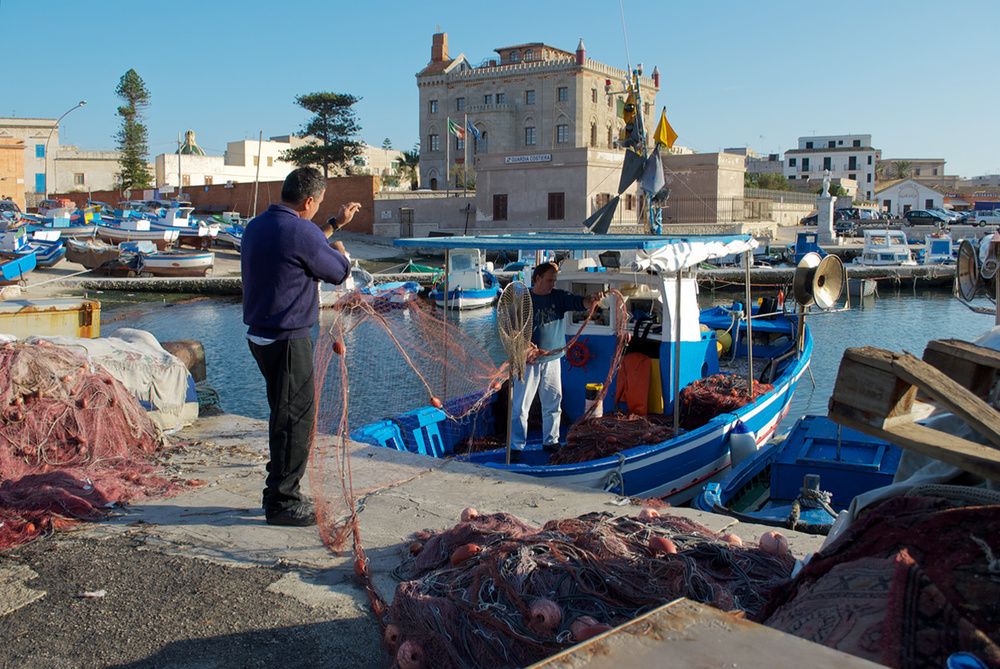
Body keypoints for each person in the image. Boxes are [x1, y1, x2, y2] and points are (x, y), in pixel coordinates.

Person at [241, 166, 361, 526]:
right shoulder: (301, 233)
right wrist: (340, 250)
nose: (317, 207)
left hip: (260, 338)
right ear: (309, 201)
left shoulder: (258, 225)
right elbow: (338, 271)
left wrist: (333, 224)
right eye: (319, 203)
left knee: (283, 415)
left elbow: (300, 244)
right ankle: (282, 502)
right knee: (295, 422)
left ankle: (280, 485)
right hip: (289, 340)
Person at [510, 262, 605, 463]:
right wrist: (524, 345)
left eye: (554, 280)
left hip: (553, 360)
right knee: (520, 407)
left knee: (553, 402)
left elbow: (582, 303)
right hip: (528, 363)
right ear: (537, 278)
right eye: (549, 280)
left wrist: (593, 299)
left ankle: (550, 440)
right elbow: (511, 328)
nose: (553, 284)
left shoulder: (559, 297)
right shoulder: (523, 300)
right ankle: (515, 446)